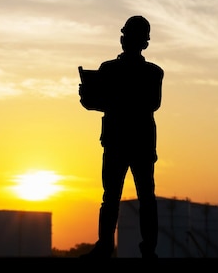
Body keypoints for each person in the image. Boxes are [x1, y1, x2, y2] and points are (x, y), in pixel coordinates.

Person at [78, 15, 164, 258]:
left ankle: (110, 248)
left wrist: (92, 97)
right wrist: (88, 96)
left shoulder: (116, 70)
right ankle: (137, 249)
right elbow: (148, 104)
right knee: (138, 197)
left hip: (123, 142)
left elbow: (149, 104)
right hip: (134, 142)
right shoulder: (150, 72)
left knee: (120, 198)